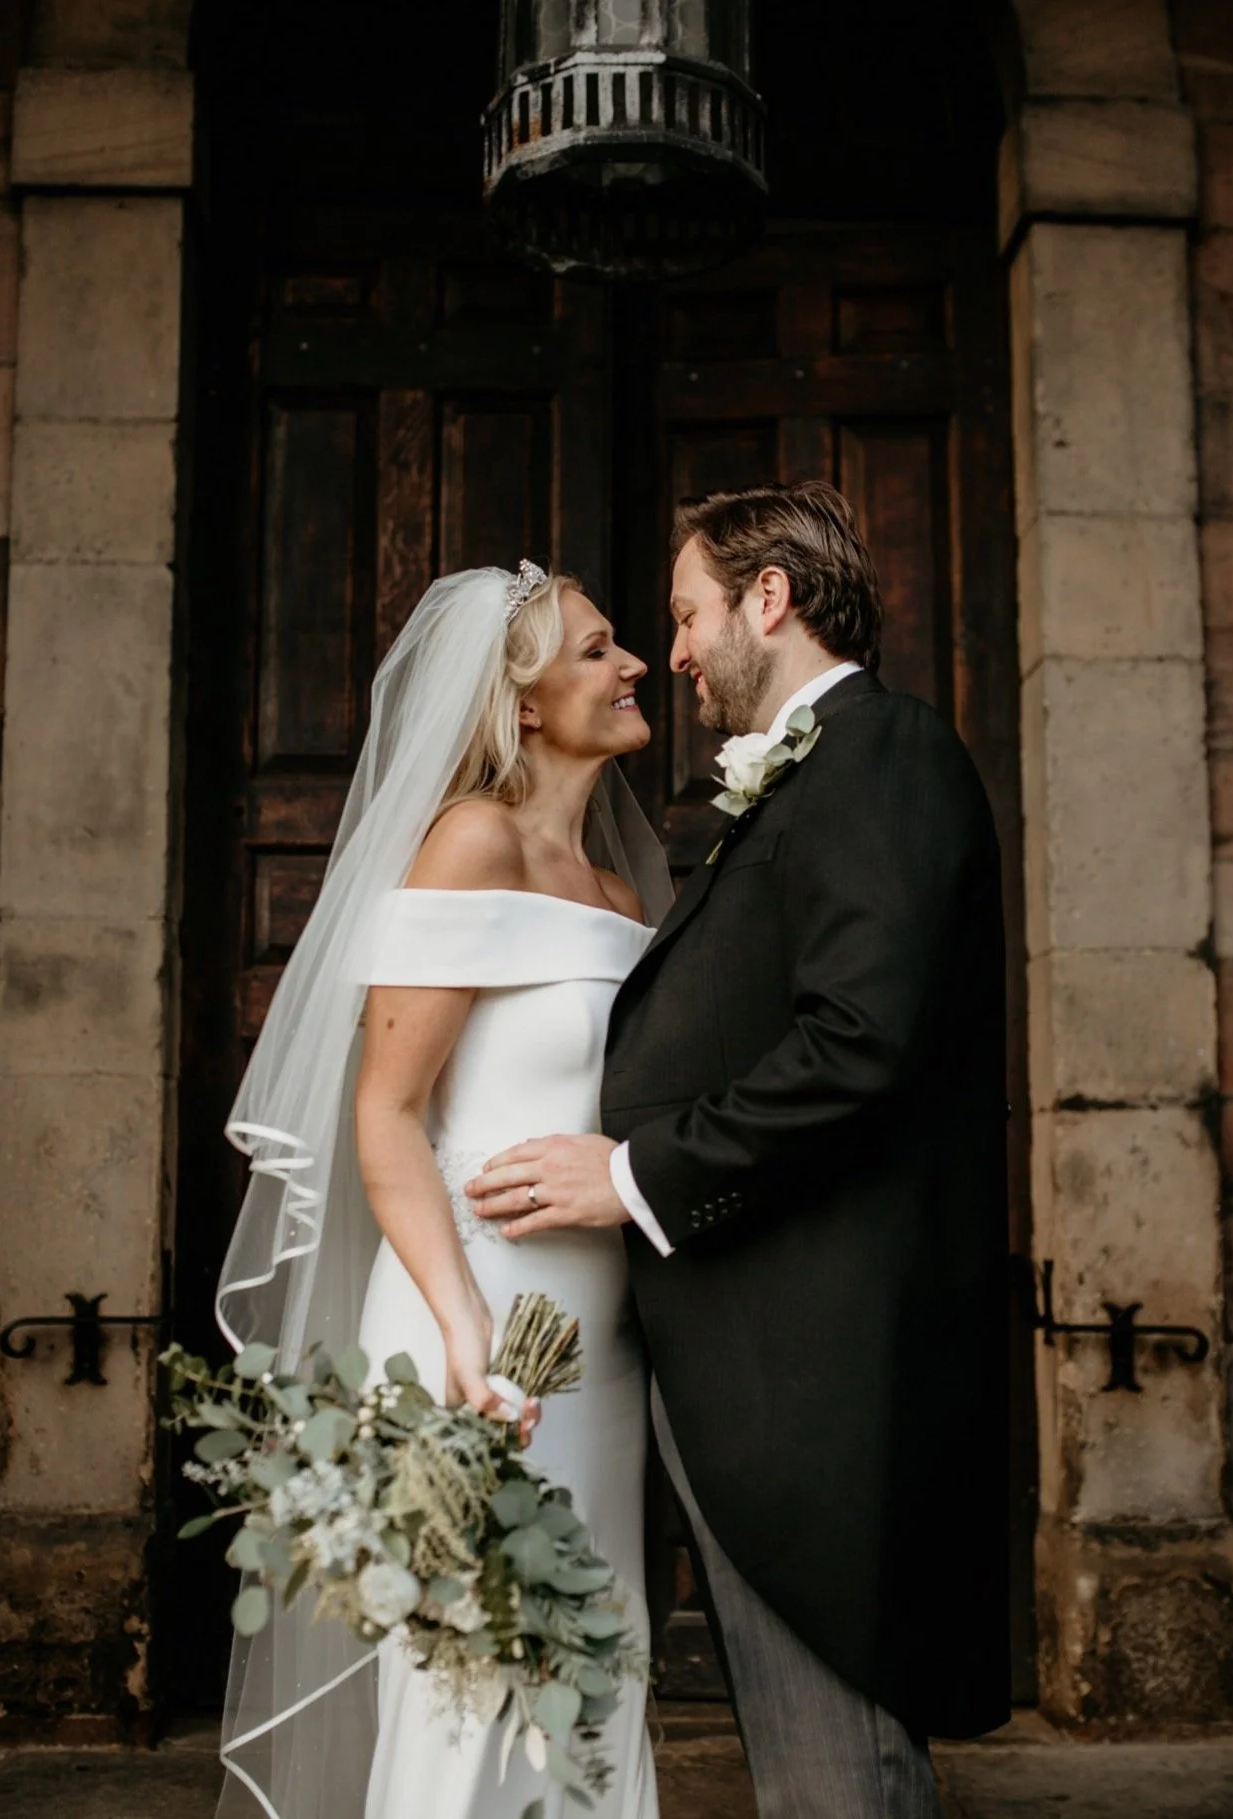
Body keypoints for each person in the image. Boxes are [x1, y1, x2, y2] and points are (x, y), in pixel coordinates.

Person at [468, 482, 1011, 1819]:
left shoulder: (884, 754)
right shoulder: (808, 775)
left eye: (688, 612)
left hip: (824, 1374)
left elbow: (858, 1043)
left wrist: (633, 1170)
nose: (680, 648)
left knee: (841, 1773)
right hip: (754, 1354)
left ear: (769, 598)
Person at [213, 565, 671, 1819]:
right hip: (469, 1325)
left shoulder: (626, 895)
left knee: (594, 1667)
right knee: (477, 1676)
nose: (630, 664)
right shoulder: (468, 842)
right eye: (594, 650)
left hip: (601, 1341)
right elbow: (386, 1113)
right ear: (521, 703)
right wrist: (464, 1333)